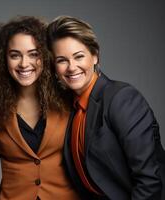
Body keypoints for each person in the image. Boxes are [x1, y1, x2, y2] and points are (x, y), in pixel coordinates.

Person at [47, 15, 165, 200]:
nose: (71, 67)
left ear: (95, 56)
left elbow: (149, 180)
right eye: (62, 60)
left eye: (79, 56)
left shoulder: (121, 98)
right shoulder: (71, 106)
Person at [0, 16, 80, 200]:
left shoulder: (69, 100)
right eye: (15, 55)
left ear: (45, 56)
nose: (23, 63)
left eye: (33, 54)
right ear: (3, 59)